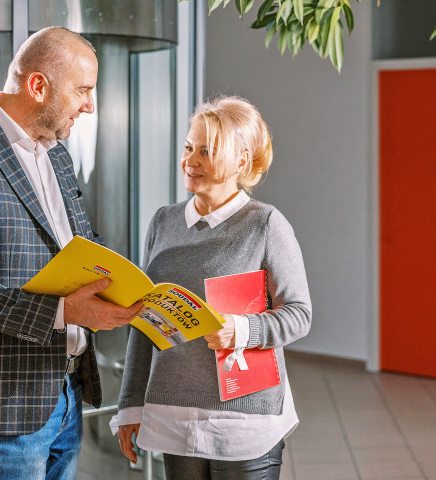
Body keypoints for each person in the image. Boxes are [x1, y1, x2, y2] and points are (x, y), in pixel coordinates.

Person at [0, 27, 142, 480]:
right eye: (83, 90)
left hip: (67, 390)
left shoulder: (56, 153)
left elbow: (76, 245)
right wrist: (62, 311)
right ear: (37, 86)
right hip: (5, 405)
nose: (90, 105)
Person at [111, 96, 312, 479]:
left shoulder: (266, 224)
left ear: (241, 161)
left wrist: (241, 330)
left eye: (208, 150)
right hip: (175, 415)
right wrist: (131, 405)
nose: (191, 160)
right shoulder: (163, 221)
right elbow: (144, 319)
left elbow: (299, 315)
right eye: (189, 147)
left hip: (245, 421)